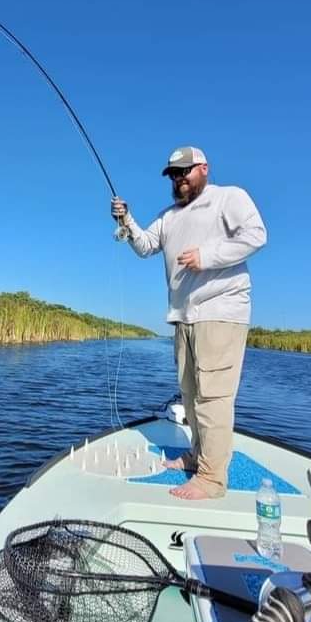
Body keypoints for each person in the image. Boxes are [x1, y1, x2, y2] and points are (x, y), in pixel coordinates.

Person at [111, 146, 267, 500]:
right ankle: (197, 456)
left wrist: (207, 257)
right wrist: (126, 220)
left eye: (185, 171)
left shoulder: (229, 197)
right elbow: (145, 245)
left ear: (204, 169)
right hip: (183, 317)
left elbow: (256, 235)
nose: (179, 179)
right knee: (191, 393)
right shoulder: (169, 217)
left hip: (220, 311)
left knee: (213, 397)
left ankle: (212, 479)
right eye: (174, 174)